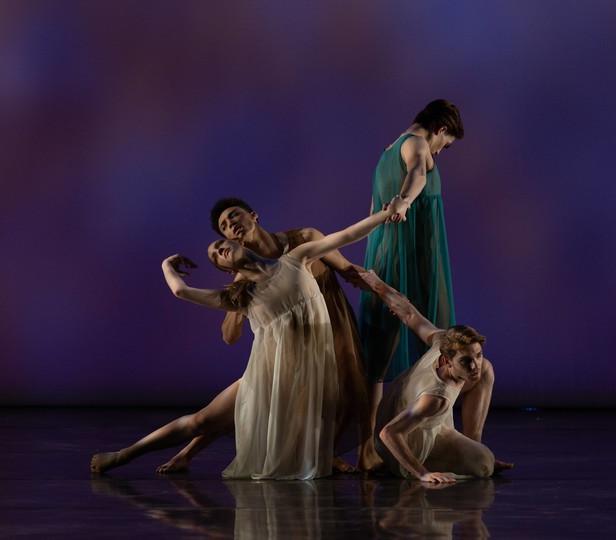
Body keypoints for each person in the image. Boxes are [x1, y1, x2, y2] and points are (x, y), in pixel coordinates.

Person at [90, 202, 395, 479]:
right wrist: (166, 266)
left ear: (252, 216)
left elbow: (348, 234)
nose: (223, 243)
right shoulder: (239, 295)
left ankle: (335, 455)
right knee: (202, 420)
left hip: (316, 359)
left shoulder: (296, 256)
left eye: (227, 230)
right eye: (216, 251)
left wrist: (390, 211)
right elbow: (182, 292)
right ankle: (123, 455)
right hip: (270, 376)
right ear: (226, 268)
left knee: (337, 405)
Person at [359, 99, 464, 456]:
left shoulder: (388, 150)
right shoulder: (417, 144)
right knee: (437, 340)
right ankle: (427, 438)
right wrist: (404, 201)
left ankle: (368, 448)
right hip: (415, 256)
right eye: (445, 145)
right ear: (441, 129)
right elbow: (418, 172)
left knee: (378, 353)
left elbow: (373, 209)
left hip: (384, 253)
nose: (441, 151)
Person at [360, 270, 512, 483]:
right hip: (409, 443)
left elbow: (408, 314)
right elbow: (389, 434)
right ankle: (458, 457)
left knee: (486, 369)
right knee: (484, 463)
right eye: (465, 361)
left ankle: (471, 445)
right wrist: (423, 473)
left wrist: (376, 283)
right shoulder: (436, 399)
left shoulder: (442, 340)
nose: (474, 365)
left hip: (413, 415)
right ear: (446, 360)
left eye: (477, 355)